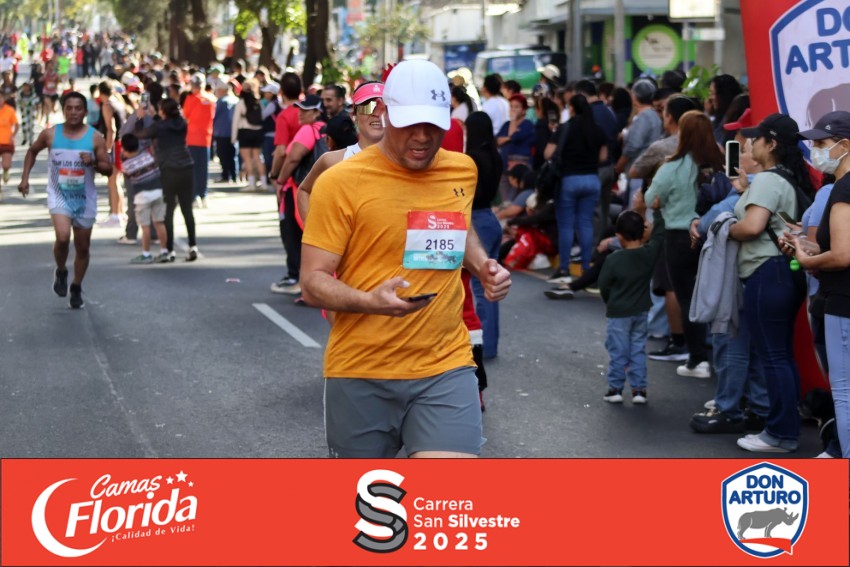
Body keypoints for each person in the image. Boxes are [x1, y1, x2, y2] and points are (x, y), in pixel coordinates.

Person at [299, 59, 512, 458]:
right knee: (368, 497)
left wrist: (483, 265)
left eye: (433, 125)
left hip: (445, 364)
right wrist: (369, 301)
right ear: (385, 113)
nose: (422, 137)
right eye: (410, 123)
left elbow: (458, 224)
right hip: (361, 369)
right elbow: (312, 282)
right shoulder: (340, 180)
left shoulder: (461, 170)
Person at [729, 113, 813, 453]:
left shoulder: (767, 179)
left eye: (756, 139)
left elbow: (752, 227)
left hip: (766, 272)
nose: (750, 144)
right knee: (781, 356)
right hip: (783, 273)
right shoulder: (786, 178)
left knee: (773, 357)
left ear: (771, 143)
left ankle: (779, 434)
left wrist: (725, 228)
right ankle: (784, 430)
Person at [787, 111, 850, 458]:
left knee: (845, 393)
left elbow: (842, 255)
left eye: (822, 143)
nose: (815, 151)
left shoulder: (844, 188)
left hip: (842, 301)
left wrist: (807, 258)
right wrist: (808, 247)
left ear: (845, 145)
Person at [644, 110, 722, 379]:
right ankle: (722, 357)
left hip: (679, 237)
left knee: (687, 296)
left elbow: (651, 198)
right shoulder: (721, 163)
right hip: (717, 235)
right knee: (719, 296)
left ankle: (697, 358)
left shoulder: (673, 166)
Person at [17, 91, 113, 308]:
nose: (73, 112)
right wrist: (25, 179)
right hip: (59, 194)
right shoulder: (50, 134)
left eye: (78, 108)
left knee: (82, 247)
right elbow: (32, 151)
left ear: (85, 112)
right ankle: (61, 270)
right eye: (69, 108)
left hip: (84, 198)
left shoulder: (95, 137)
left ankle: (76, 286)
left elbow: (108, 169)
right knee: (62, 238)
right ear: (63, 110)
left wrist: (93, 163)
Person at [598, 209, 665, 404]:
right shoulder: (648, 254)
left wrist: (611, 301)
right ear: (643, 232)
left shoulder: (613, 259)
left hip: (619, 312)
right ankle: (639, 390)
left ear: (619, 236)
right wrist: (658, 212)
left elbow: (604, 285)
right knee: (637, 349)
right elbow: (659, 235)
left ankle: (615, 388)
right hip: (641, 310)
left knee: (618, 350)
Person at [296, 81, 385, 221]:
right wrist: (312, 231)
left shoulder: (407, 161)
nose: (376, 113)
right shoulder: (332, 160)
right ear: (354, 115)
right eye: (368, 106)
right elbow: (304, 191)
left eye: (384, 107)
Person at [544, 94, 607, 280]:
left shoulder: (565, 128)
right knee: (585, 223)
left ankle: (564, 268)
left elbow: (548, 153)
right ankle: (586, 266)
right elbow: (603, 157)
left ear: (571, 108)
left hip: (569, 179)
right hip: (592, 179)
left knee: (566, 225)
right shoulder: (597, 129)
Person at [271, 94, 326, 296]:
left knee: (293, 234)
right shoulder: (325, 130)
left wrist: (279, 180)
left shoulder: (308, 129)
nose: (301, 114)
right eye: (300, 109)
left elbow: (292, 157)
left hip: (298, 189)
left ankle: (296, 279)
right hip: (320, 190)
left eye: (306, 110)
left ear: (317, 112)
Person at [134, 98, 200, 262]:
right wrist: (156, 115)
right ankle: (193, 245)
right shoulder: (182, 123)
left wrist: (140, 117)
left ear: (163, 111)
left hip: (168, 169)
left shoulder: (159, 127)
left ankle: (169, 250)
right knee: (187, 209)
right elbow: (167, 122)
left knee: (168, 210)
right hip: (186, 166)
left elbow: (140, 134)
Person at [466, 111, 504, 359]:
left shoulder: (472, 159)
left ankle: (484, 345)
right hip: (490, 218)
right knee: (491, 287)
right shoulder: (495, 155)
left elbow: (472, 194)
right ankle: (490, 343)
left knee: (481, 289)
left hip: (477, 220)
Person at [120, 133, 169, 264]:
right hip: (158, 192)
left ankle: (146, 253)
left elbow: (128, 178)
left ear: (124, 149)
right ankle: (164, 251)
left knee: (145, 225)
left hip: (142, 196)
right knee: (159, 222)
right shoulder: (147, 156)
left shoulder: (127, 165)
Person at [183, 72, 217, 207]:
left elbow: (185, 116)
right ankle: (203, 195)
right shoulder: (212, 99)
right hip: (205, 138)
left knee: (192, 169)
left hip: (192, 138)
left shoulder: (190, 99)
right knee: (203, 169)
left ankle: (194, 196)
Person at [232, 78, 266, 191]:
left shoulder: (241, 102)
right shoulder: (259, 102)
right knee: (257, 157)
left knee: (247, 159)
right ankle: (263, 182)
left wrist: (233, 137)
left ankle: (252, 184)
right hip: (258, 132)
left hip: (245, 132)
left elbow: (235, 120)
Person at [212, 80, 238, 183]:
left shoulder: (221, 102)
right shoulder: (236, 100)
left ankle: (226, 175)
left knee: (223, 155)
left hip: (221, 132)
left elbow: (214, 115)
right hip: (233, 132)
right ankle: (234, 175)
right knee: (232, 154)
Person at [0, 92, 17, 190]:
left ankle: (5, 171)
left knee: (6, 165)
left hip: (6, 141)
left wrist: (13, 135)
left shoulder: (10, 110)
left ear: (4, 99)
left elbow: (17, 124)